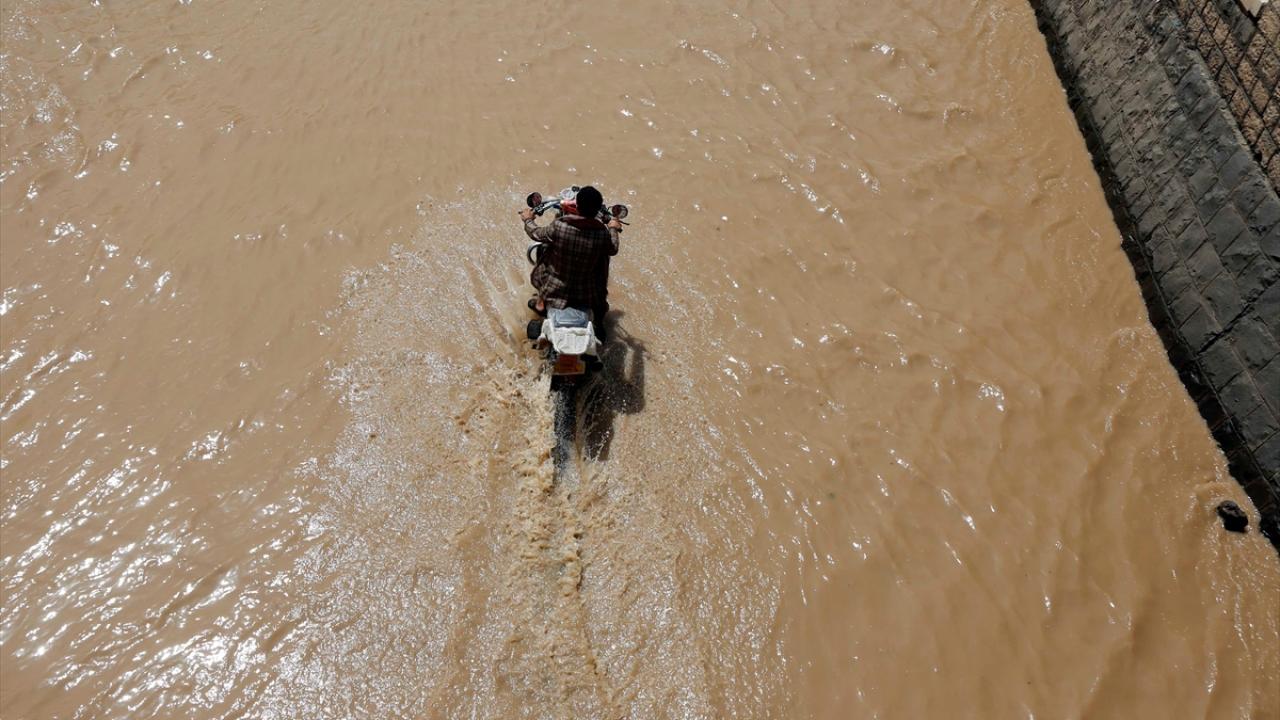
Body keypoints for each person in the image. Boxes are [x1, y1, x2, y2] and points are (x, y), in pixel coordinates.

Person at [519, 186, 621, 341]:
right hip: (587, 294)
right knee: (601, 303)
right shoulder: (602, 234)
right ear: (597, 209)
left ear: (577, 206)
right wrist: (613, 228)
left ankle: (541, 305)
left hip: (554, 291)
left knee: (544, 260)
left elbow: (536, 234)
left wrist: (528, 219)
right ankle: (598, 323)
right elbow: (613, 248)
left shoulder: (560, 226)